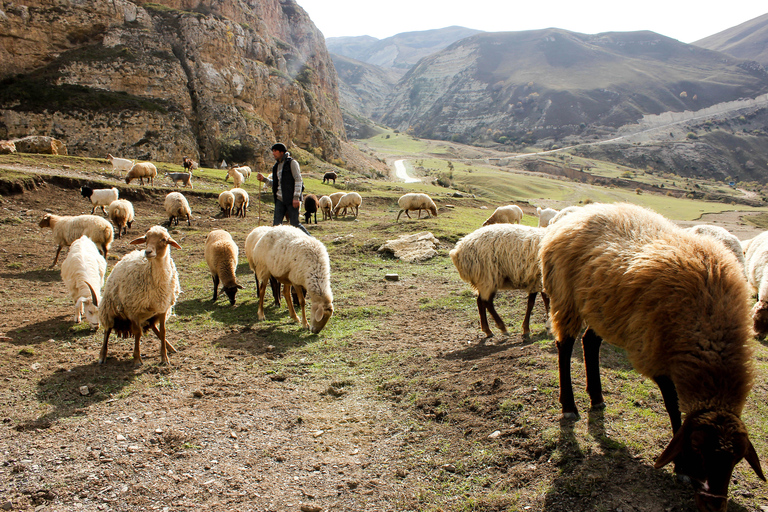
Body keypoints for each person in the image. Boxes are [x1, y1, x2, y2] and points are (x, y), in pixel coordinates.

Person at [257, 143, 310, 235]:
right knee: (276, 225)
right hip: (279, 199)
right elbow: (276, 184)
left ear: (282, 152)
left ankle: (311, 241)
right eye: (273, 151)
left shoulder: (292, 163)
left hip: (291, 199)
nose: (273, 153)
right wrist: (264, 179)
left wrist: (296, 197)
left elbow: (298, 180)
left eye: (275, 151)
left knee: (295, 224)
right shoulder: (276, 166)